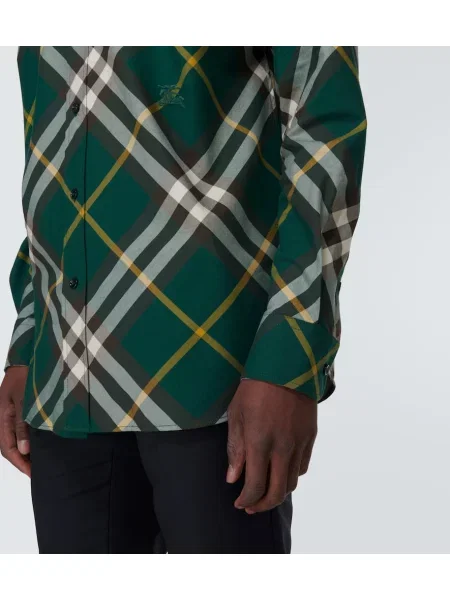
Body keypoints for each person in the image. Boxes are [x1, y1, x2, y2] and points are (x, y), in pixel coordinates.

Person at [0, 46, 366, 554]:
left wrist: (291, 356)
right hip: (62, 379)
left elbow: (324, 135)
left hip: (216, 378)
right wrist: (27, 341)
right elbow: (52, 160)